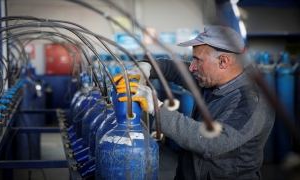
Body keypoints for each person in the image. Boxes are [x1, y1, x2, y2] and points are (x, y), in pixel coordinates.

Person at [114, 25, 275, 180]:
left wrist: (157, 108)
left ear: (223, 61)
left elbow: (211, 142)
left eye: (197, 60)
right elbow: (175, 70)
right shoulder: (212, 80)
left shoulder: (251, 102)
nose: (192, 67)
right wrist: (147, 66)